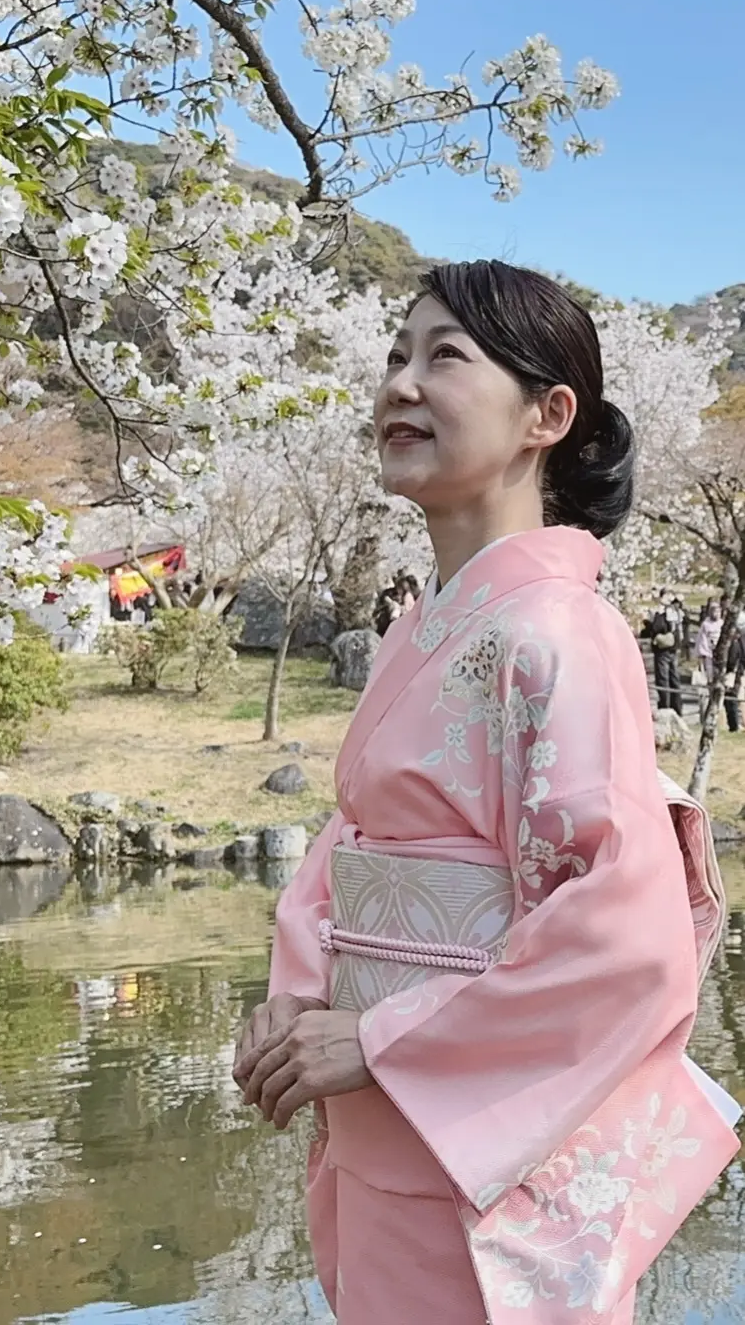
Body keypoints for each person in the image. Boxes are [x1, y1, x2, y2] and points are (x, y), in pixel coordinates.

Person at [233, 261, 740, 1325]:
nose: (400, 385)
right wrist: (296, 1002)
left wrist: (378, 1037)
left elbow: (623, 930)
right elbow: (348, 850)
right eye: (394, 356)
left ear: (547, 415)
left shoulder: (560, 630)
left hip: (480, 1162)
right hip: (381, 1129)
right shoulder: (418, 632)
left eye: (444, 357)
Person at [649, 587, 684, 717]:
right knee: (674, 678)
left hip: (664, 648)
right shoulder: (676, 611)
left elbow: (658, 627)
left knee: (663, 679)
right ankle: (677, 708)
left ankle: (666, 707)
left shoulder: (662, 611)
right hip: (673, 649)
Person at [695, 600, 723, 686]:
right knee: (709, 675)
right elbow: (701, 639)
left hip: (720, 653)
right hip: (708, 652)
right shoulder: (705, 624)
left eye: (719, 611)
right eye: (715, 611)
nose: (717, 614)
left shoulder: (722, 623)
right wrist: (702, 653)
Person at [724, 627, 745, 733]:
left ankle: (734, 725)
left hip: (733, 674)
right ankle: (735, 724)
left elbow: (732, 661)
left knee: (730, 698)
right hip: (738, 673)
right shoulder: (740, 642)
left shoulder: (735, 644)